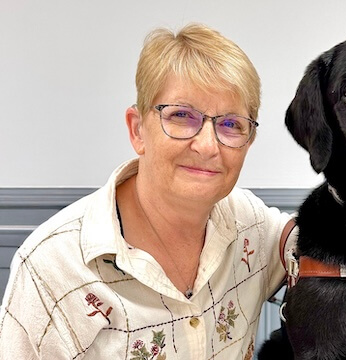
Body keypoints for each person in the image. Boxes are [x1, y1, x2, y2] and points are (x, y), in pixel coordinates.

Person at [0, 24, 296, 359]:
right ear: (137, 130)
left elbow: (311, 243)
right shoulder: (52, 269)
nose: (207, 145)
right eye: (182, 116)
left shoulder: (249, 224)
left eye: (231, 124)